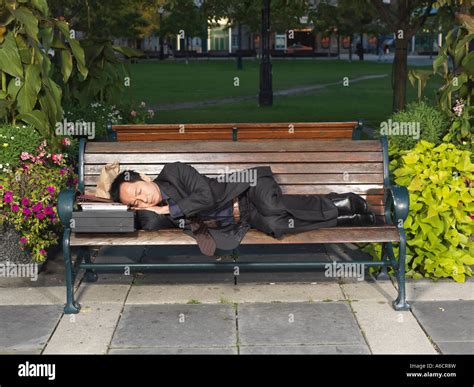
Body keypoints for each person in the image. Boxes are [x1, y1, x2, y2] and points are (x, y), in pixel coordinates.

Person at [109, 162, 375, 256]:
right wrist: (139, 214)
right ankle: (346, 216)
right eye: (136, 203)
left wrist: (169, 210)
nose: (143, 201)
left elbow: (205, 196)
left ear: (143, 178)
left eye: (138, 192)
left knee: (271, 207)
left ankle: (340, 202)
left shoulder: (174, 172)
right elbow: (152, 222)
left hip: (248, 188)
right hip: (244, 218)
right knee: (277, 225)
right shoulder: (157, 214)